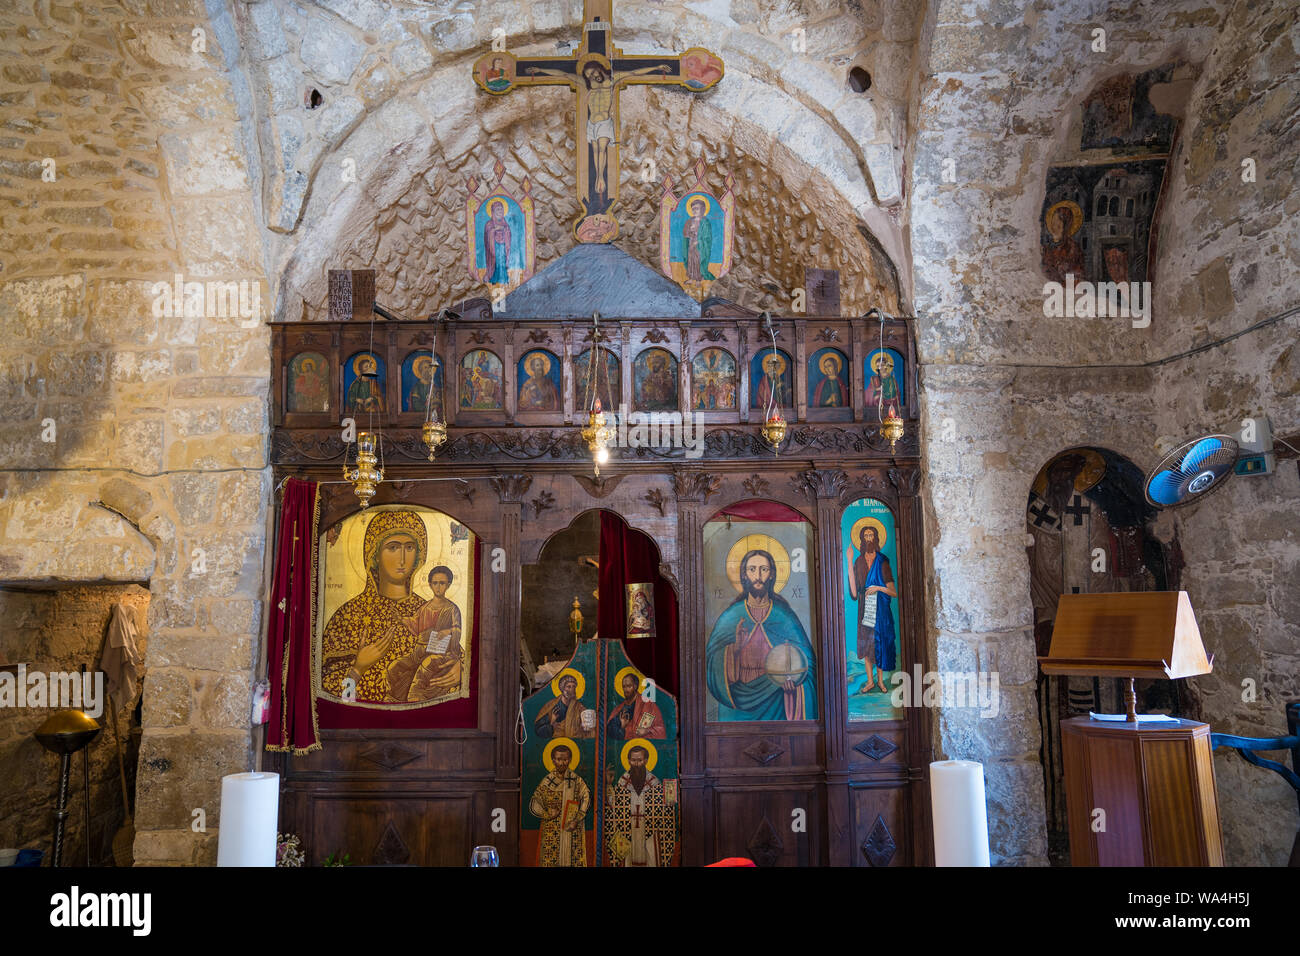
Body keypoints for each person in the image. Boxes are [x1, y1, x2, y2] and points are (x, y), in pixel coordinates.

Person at [321, 510, 429, 702]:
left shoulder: (428, 611)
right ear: (375, 554)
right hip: (355, 724)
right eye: (393, 548)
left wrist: (455, 669)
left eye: (410, 547)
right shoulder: (350, 614)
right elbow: (328, 692)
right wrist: (358, 668)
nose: (402, 559)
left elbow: (450, 659)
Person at [527, 60, 671, 197]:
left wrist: (656, 67)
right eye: (588, 75)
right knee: (596, 151)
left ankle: (600, 178)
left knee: (602, 150)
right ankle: (598, 176)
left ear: (599, 68)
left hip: (604, 122)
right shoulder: (586, 83)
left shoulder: (614, 78)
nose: (592, 76)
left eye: (593, 72)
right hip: (592, 123)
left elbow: (634, 73)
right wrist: (540, 70)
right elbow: (563, 75)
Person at [705, 549, 817, 720]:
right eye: (752, 569)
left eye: (763, 569)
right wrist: (734, 649)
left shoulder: (784, 616)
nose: (758, 575)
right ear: (744, 575)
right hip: (737, 705)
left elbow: (809, 664)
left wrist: (794, 681)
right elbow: (711, 662)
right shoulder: (731, 616)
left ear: (771, 574)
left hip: (776, 700)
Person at [386, 565, 463, 702]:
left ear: (448, 585)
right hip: (419, 652)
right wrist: (401, 619)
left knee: (426, 667)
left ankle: (415, 699)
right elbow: (415, 623)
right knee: (394, 668)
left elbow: (457, 629)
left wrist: (449, 631)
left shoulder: (452, 609)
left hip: (440, 653)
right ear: (430, 585)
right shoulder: (424, 607)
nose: (438, 587)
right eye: (435, 583)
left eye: (442, 583)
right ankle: (394, 699)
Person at [845, 525, 897, 694]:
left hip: (880, 610)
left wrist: (878, 588)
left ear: (876, 538)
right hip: (864, 608)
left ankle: (881, 681)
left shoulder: (883, 561)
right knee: (867, 645)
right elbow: (854, 592)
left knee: (879, 643)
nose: (868, 538)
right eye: (865, 535)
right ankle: (870, 681)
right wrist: (848, 560)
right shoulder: (859, 561)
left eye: (871, 535)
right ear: (861, 539)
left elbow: (893, 592)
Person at [606, 745, 675, 867]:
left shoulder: (654, 782)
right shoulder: (622, 782)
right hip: (627, 829)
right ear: (628, 761)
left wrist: (669, 803)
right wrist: (609, 785)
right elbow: (613, 806)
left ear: (646, 760)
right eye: (633, 760)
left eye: (639, 760)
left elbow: (665, 808)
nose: (636, 764)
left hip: (649, 831)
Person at [528, 743, 589, 866]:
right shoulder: (547, 781)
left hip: (572, 826)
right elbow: (535, 802)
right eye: (559, 759)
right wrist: (546, 813)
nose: (562, 763)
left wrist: (577, 819)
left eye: (565, 759)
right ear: (553, 760)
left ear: (570, 760)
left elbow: (586, 797)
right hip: (552, 828)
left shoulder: (577, 780)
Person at [606, 671, 665, 739]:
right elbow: (610, 731)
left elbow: (661, 730)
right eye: (624, 687)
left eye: (629, 686)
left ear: (635, 686)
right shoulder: (619, 708)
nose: (626, 690)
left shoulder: (649, 705)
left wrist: (647, 730)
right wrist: (622, 727)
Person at [534, 673, 595, 739]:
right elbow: (539, 731)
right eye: (568, 687)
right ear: (562, 688)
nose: (571, 690)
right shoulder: (551, 705)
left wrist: (585, 727)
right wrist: (552, 722)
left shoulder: (579, 707)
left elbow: (589, 731)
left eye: (573, 687)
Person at [681, 197, 714, 281]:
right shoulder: (689, 221)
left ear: (702, 210)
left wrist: (697, 242)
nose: (695, 211)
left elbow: (707, 237)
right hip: (690, 244)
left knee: (697, 261)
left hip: (700, 246)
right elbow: (686, 234)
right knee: (690, 261)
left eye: (697, 208)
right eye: (693, 209)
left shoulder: (705, 222)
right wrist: (689, 238)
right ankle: (691, 278)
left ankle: (699, 279)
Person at [482, 200, 513, 285]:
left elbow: (508, 232)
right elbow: (488, 233)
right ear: (493, 211)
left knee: (502, 262)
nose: (500, 211)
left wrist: (503, 229)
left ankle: (503, 279)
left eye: (501, 209)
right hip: (494, 246)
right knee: (495, 262)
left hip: (502, 246)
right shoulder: (489, 224)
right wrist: (494, 229)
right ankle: (493, 278)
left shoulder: (505, 223)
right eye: (498, 209)